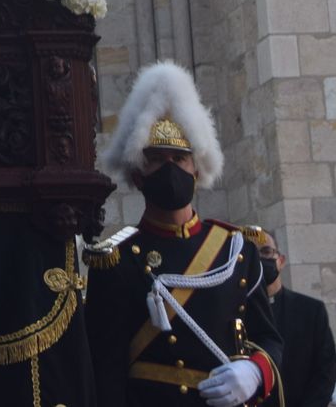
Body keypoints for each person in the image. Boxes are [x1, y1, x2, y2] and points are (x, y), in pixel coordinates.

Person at [85, 62, 283, 406]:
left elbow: (269, 338)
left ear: (196, 166)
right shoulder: (114, 261)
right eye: (157, 159)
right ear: (138, 171)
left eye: (180, 157)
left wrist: (254, 373)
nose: (171, 168)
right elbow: (106, 368)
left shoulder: (236, 250)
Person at [257, 228, 336, 406]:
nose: (260, 259)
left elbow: (325, 373)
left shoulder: (311, 311)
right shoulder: (237, 313)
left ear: (281, 260)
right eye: (253, 254)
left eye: (266, 251)